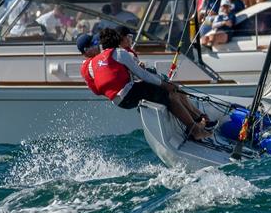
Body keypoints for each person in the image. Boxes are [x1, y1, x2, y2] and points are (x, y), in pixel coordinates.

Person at [87, 28, 215, 141]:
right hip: (129, 94)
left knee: (166, 91)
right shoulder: (120, 53)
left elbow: (99, 86)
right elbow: (143, 75)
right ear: (117, 40)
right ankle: (196, 131)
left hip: (118, 102)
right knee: (169, 95)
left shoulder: (93, 62)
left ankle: (195, 123)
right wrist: (164, 84)